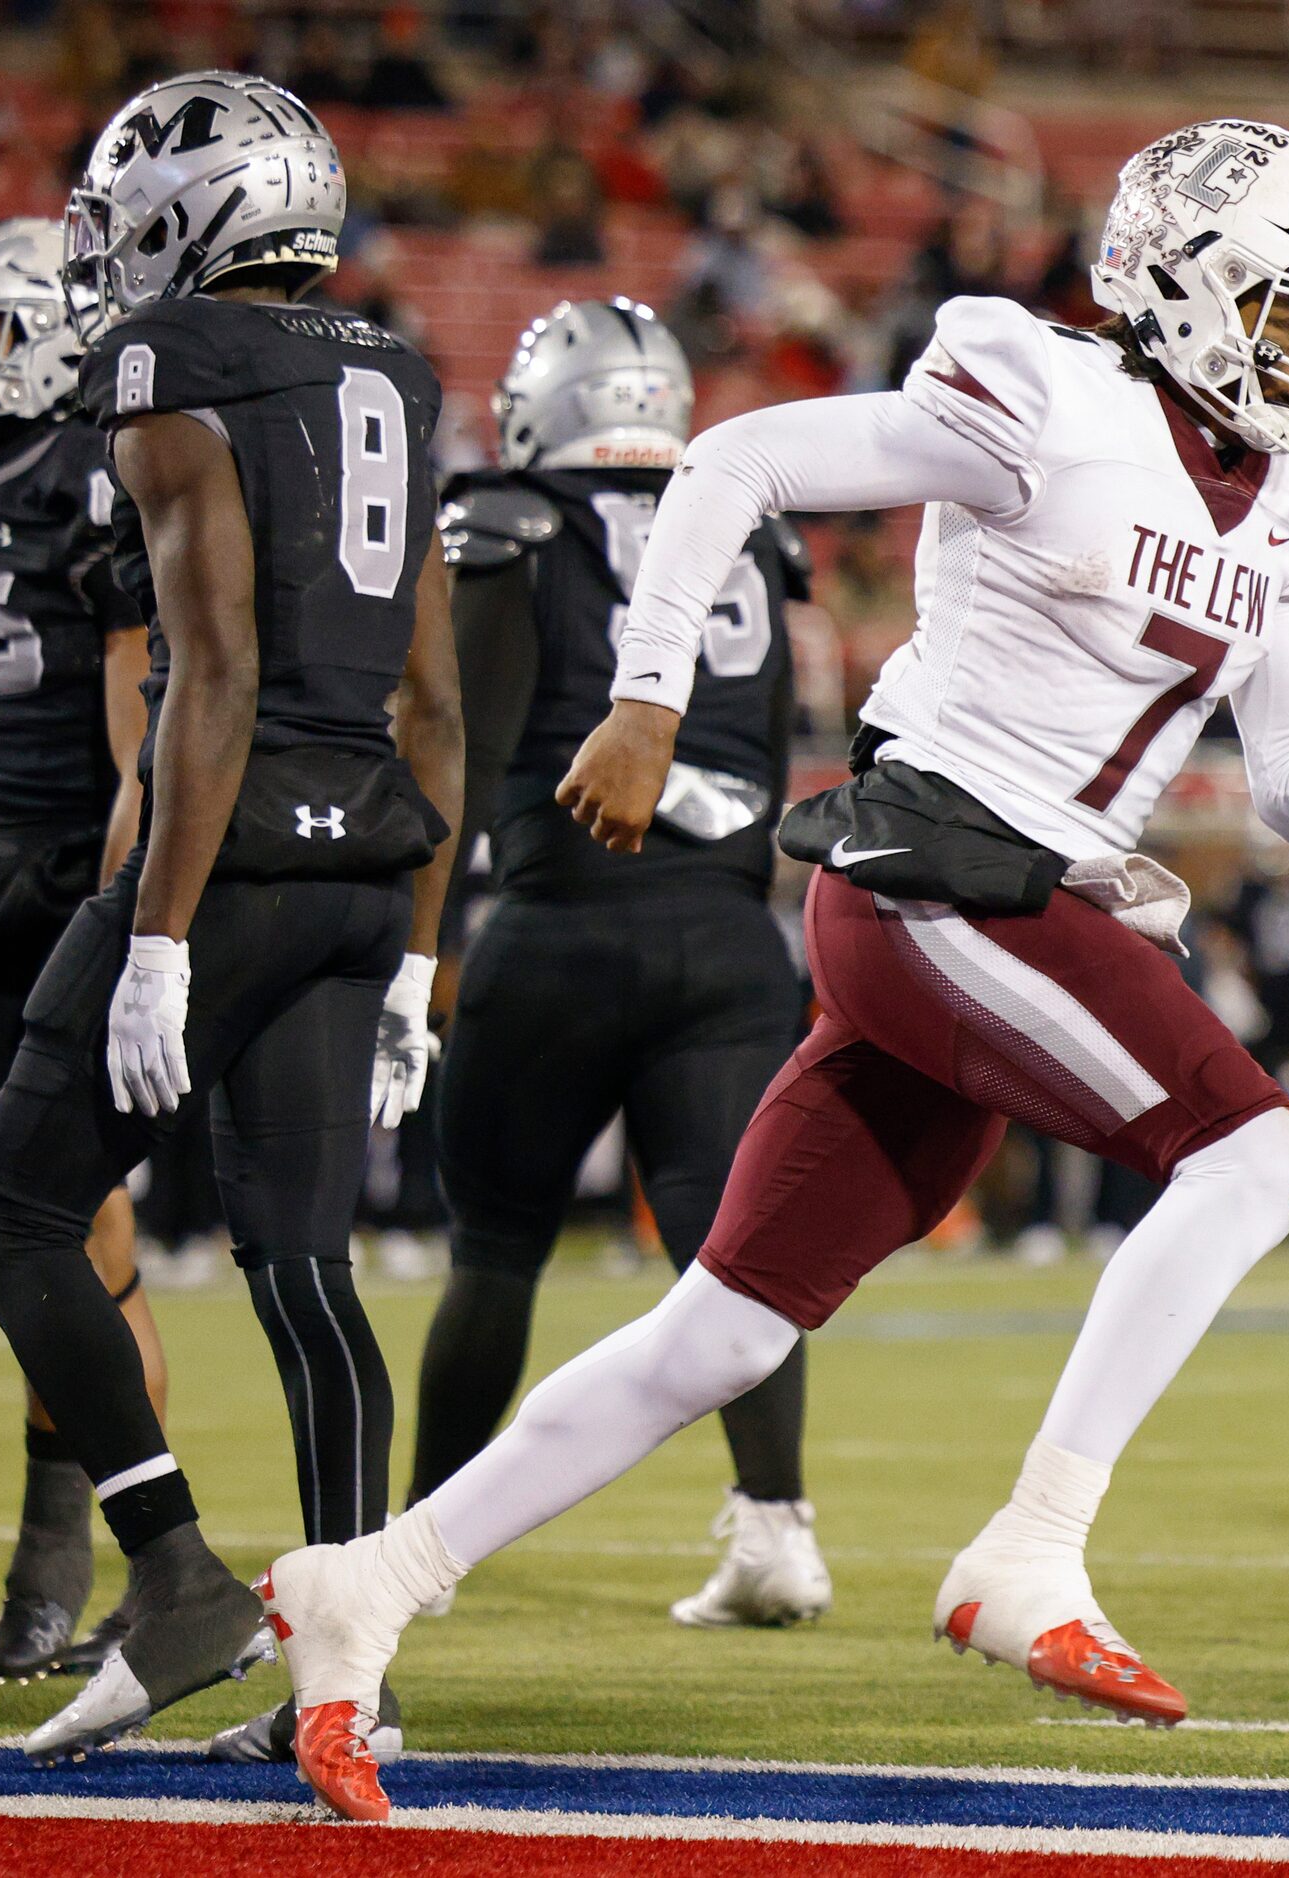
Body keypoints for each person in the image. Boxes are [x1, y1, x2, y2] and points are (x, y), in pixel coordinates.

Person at [261, 118, 1289, 1822]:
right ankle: (1034, 1541)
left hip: (1013, 902)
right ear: (1186, 288)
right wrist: (643, 697)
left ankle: (370, 1578)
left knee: (717, 1333)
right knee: (1263, 1148)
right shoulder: (1044, 398)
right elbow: (732, 461)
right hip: (937, 867)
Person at [0, 73, 461, 1761]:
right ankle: (355, 1679)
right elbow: (440, 706)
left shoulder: (168, 359)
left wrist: (160, 926)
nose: (107, 251)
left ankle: (171, 1567)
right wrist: (414, 950)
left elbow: (218, 665)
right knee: (306, 1270)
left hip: (233, 848)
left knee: (20, 1206)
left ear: (202, 211)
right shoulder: (397, 364)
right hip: (364, 865)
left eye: (126, 214)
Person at [415, 296, 829, 1631]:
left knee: (494, 1246)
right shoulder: (750, 529)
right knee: (734, 1253)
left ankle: (419, 1546)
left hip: (563, 918)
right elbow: (766, 748)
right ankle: (776, 1528)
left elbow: (460, 751)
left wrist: (418, 939)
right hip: (724, 927)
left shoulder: (513, 519)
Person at [0, 219, 164, 1683]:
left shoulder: (94, 469)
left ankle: (88, 1556)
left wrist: (112, 913)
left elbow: (135, 735)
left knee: (74, 1236)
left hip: (42, 892)